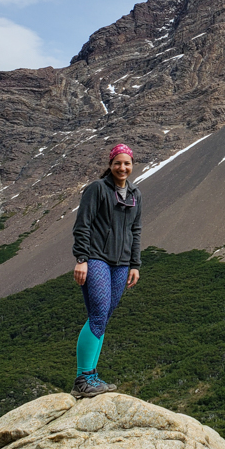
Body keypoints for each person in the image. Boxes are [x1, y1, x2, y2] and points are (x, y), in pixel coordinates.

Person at [70, 143, 142, 398]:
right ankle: (83, 378)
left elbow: (136, 231)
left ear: (132, 165)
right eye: (118, 163)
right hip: (96, 258)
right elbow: (83, 225)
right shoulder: (97, 189)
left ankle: (91, 376)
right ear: (110, 165)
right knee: (99, 313)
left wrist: (135, 264)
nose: (122, 167)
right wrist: (81, 258)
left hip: (121, 264)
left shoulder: (135, 194)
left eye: (127, 163)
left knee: (102, 318)